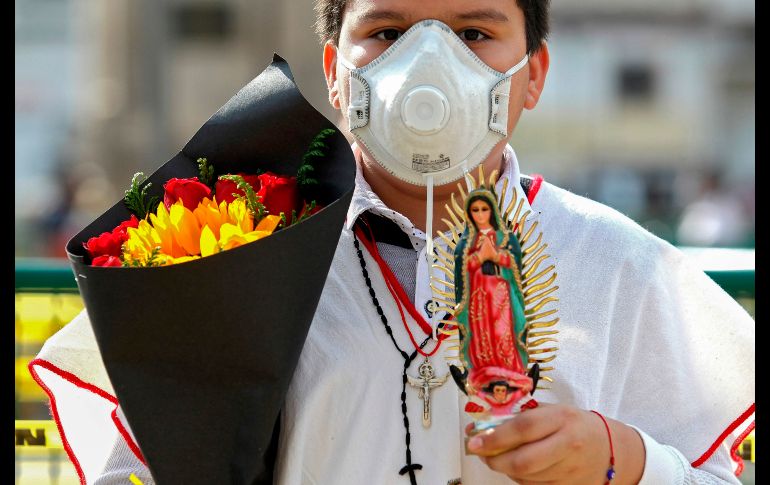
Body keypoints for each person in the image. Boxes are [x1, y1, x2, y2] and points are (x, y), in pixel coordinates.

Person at [30, 0, 754, 484]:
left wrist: (622, 458)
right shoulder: (235, 249)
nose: (429, 63)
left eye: (474, 34)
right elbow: (139, 459)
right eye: (385, 33)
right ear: (336, 75)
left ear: (532, 74)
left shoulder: (621, 264)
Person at [453, 189, 533, 419]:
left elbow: (514, 264)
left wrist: (497, 256)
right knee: (482, 335)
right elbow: (462, 268)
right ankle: (482, 374)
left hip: (500, 292)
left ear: (492, 211)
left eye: (484, 209)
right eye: (475, 210)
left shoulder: (505, 239)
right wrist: (478, 257)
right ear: (469, 213)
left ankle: (509, 373)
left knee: (502, 332)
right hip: (478, 296)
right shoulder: (468, 242)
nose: (480, 215)